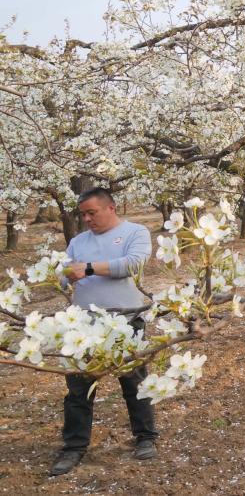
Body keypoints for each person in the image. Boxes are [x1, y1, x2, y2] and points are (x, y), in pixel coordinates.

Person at [48, 187, 158, 477]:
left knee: (134, 383)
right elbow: (64, 274)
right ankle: (74, 447)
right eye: (83, 214)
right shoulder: (78, 242)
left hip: (125, 320)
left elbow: (132, 264)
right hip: (83, 325)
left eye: (91, 213)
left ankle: (146, 437)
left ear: (111, 208)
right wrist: (59, 279)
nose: (86, 219)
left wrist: (87, 269)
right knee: (78, 390)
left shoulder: (136, 232)